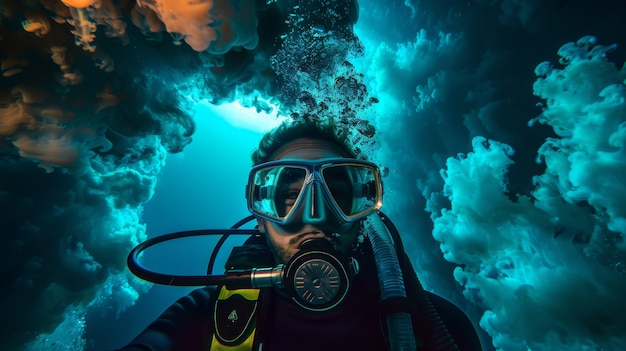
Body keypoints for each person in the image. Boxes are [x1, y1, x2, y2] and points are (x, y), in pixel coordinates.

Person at [118, 116, 483, 351]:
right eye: (289, 198)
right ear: (260, 219)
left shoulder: (437, 325)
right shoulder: (209, 316)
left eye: (338, 196)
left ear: (364, 214)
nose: (313, 216)